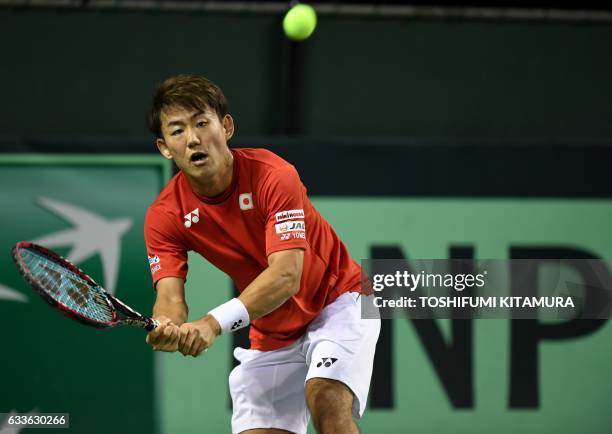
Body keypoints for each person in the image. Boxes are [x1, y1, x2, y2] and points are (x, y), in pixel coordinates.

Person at [143, 74, 380, 434]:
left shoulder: (273, 175)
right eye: (177, 131)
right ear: (164, 147)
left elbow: (287, 275)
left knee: (326, 399)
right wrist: (166, 325)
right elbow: (170, 298)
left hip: (339, 300)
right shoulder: (165, 215)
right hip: (273, 330)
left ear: (226, 127)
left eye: (202, 124)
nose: (192, 139)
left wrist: (210, 325)